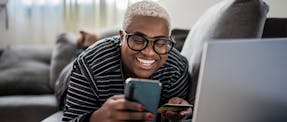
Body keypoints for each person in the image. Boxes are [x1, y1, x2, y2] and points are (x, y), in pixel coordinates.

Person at [62, 1, 192, 122]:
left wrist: (178, 114)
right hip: (67, 78)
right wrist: (94, 118)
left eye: (160, 42)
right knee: (74, 61)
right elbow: (70, 118)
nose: (149, 52)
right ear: (122, 37)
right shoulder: (88, 64)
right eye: (138, 40)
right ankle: (85, 43)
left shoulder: (177, 67)